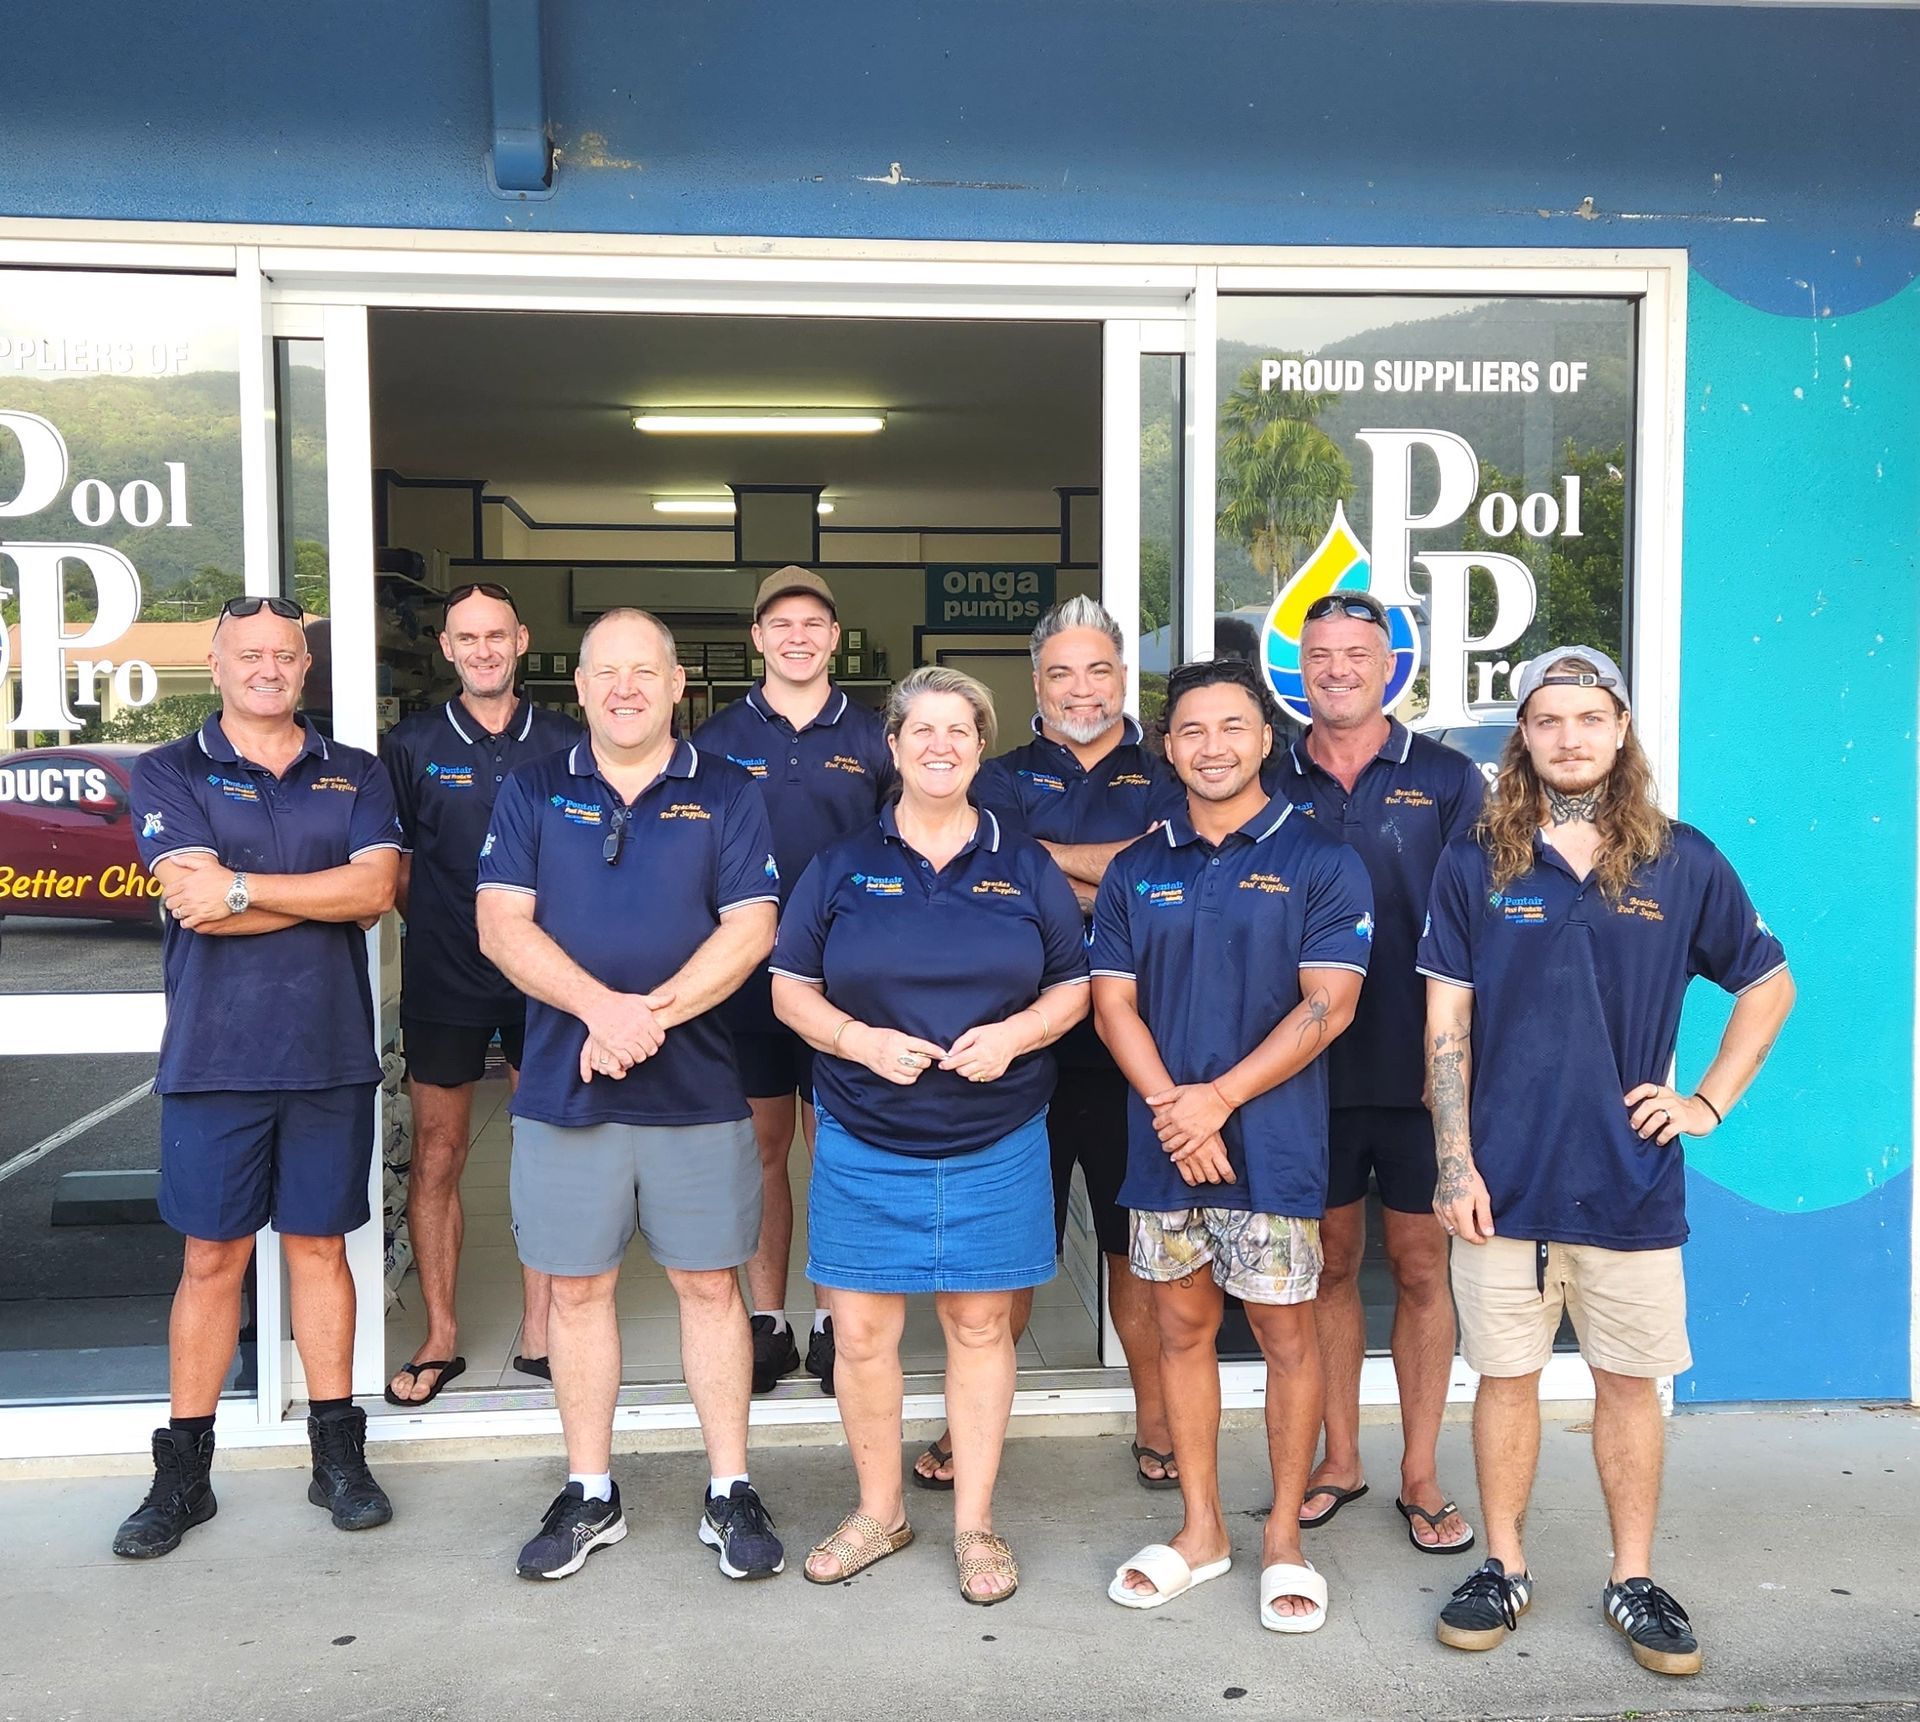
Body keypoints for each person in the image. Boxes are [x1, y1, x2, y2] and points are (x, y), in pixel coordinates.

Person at [1418, 646, 1793, 1676]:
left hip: (1629, 1181)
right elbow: (1445, 1012)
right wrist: (1453, 1159)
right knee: (1505, 1381)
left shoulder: (1683, 859)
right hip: (1503, 1184)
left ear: (1620, 729)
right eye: (1548, 720)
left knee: (1629, 1388)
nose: (1570, 737)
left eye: (1590, 718)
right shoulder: (1478, 861)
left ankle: (1633, 1578)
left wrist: (1707, 1100)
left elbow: (1768, 985)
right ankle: (1503, 1565)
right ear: (1522, 738)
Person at [475, 607, 784, 1583]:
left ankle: (729, 1489)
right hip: (568, 1091)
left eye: (643, 672)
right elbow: (500, 926)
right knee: (577, 1291)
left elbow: (752, 927)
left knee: (709, 1285)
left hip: (694, 1089)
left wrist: (642, 1018)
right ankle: (590, 1491)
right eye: (606, 672)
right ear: (579, 688)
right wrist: (601, 1013)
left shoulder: (730, 792)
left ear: (676, 684)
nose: (624, 688)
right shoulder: (531, 793)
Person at [769, 666, 1089, 1606]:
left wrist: (1017, 1035)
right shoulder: (839, 864)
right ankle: (880, 1511)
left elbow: (1074, 985)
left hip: (996, 1130)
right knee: (863, 1334)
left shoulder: (1023, 861)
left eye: (960, 730)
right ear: (895, 746)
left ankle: (976, 1523)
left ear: (979, 747)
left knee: (981, 1325)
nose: (941, 745)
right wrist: (854, 1039)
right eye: (923, 731)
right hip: (866, 1132)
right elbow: (791, 987)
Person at [113, 595, 402, 1559]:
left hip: (328, 1055)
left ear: (305, 668)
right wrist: (316, 898)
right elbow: (193, 902)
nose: (268, 669)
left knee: (319, 1251)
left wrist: (242, 886)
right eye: (249, 654)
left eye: (284, 654)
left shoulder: (355, 771)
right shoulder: (169, 769)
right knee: (212, 1260)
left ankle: (338, 1459)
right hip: (214, 1057)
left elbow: (376, 891)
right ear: (217, 662)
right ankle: (183, 1477)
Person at [1091, 656, 1373, 1635]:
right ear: (1168, 749)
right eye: (1191, 731)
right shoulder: (1137, 867)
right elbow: (1111, 1004)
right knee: (1179, 1334)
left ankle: (1284, 1540)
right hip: (1164, 1143)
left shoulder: (1322, 859)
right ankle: (1202, 1531)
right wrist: (1178, 1107)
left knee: (1287, 1339)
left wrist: (1217, 1101)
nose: (1212, 747)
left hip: (1276, 1150)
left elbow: (1329, 1006)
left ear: (1266, 739)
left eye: (1231, 728)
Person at [906, 596, 1182, 1493]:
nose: (1081, 687)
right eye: (1061, 671)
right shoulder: (994, 774)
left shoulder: (1171, 766)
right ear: (1036, 683)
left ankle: (1157, 1421)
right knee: (1009, 1246)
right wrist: (1116, 863)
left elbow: (1163, 865)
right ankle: (970, 1425)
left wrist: (1041, 855)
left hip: (1137, 1045)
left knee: (1127, 1242)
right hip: (1015, 1043)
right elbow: (1000, 871)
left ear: (1122, 676)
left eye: (1099, 668)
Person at [1264, 590, 1484, 1553]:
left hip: (1419, 1066)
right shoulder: (1267, 774)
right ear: (1298, 667)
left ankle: (1421, 1471)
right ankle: (1341, 1458)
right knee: (1328, 1267)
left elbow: (1486, 923)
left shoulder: (1444, 778)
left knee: (1423, 1265)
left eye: (1359, 654)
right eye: (1321, 655)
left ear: (1391, 666)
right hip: (1299, 1068)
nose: (1339, 670)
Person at [693, 567, 893, 1398]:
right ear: (758, 639)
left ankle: (833, 1319)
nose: (798, 637)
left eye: (813, 623)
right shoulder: (715, 736)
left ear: (834, 637)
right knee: (760, 1149)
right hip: (744, 977)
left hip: (849, 978)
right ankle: (767, 1319)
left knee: (837, 1148)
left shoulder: (880, 735)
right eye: (782, 624)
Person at [381, 581, 582, 1405]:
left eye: (497, 634)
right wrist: (453, 929)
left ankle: (541, 1330)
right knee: (437, 1155)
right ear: (447, 649)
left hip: (548, 980)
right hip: (446, 979)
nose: (484, 649)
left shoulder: (570, 740)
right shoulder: (414, 742)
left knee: (546, 1152)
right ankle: (441, 1335)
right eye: (468, 638)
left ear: (522, 638)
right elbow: (391, 871)